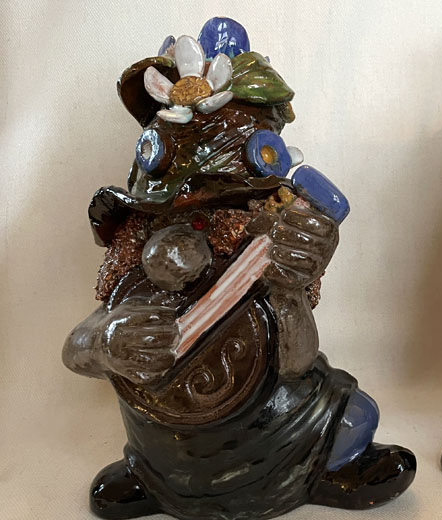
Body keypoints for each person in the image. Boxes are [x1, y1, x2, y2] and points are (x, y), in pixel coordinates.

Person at [63, 18, 414, 520]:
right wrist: (105, 343)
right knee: (159, 451)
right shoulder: (136, 247)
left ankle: (322, 469)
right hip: (168, 440)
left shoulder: (271, 241)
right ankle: (155, 480)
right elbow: (77, 348)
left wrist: (289, 292)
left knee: (352, 413)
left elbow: (295, 361)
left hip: (277, 424)